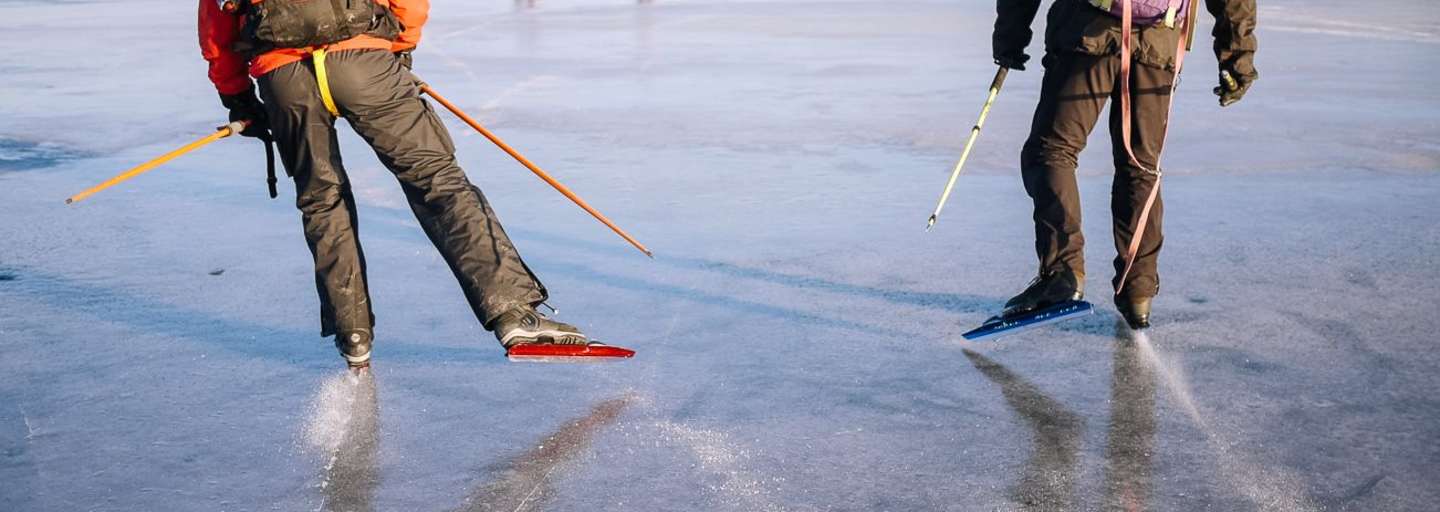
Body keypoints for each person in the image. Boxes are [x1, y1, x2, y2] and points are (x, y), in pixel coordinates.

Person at [199, 0, 590, 368]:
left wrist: (237, 97)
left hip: (284, 79)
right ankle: (511, 311)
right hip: (364, 64)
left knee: (322, 199)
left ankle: (352, 333)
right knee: (437, 181)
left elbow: (216, 23)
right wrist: (399, 47)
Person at [991, 0, 1257, 329]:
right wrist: (1237, 56)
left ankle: (1063, 272)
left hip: (1087, 30)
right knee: (1140, 166)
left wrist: (1010, 37)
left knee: (1052, 151)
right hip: (1160, 38)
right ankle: (1138, 291)